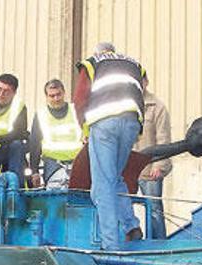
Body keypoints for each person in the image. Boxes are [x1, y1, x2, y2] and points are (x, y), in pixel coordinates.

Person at [73, 42, 145, 250]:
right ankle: (132, 227)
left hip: (104, 123)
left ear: (99, 53)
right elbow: (140, 90)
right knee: (115, 177)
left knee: (102, 186)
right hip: (131, 122)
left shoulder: (93, 62)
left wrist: (85, 130)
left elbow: (79, 99)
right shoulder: (134, 64)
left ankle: (110, 245)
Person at [133, 72, 172, 239]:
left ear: (146, 81)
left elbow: (163, 138)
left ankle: (159, 245)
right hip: (128, 168)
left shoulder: (157, 107)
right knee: (123, 207)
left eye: (141, 80)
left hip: (150, 169)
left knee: (154, 209)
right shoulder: (126, 105)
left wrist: (159, 165)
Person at [29, 79, 84, 189]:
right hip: (53, 165)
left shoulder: (76, 110)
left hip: (78, 164)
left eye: (58, 94)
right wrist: (34, 171)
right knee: (54, 197)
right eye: (52, 96)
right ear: (46, 97)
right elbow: (35, 144)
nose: (56, 98)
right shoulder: (41, 115)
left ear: (64, 93)